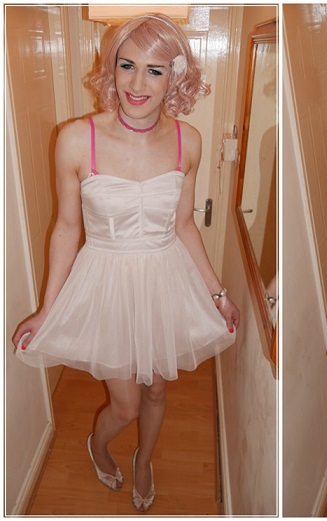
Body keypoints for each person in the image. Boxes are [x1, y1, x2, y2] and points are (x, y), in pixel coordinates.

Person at [12, 13, 239, 513]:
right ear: (111, 67)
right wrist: (48, 309)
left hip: (164, 279)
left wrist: (218, 293)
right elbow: (66, 228)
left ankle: (144, 460)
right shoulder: (77, 139)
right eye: (127, 65)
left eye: (155, 70)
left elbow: (184, 225)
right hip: (107, 283)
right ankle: (98, 443)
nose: (137, 84)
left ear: (175, 76)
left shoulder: (189, 141)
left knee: (156, 389)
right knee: (127, 402)